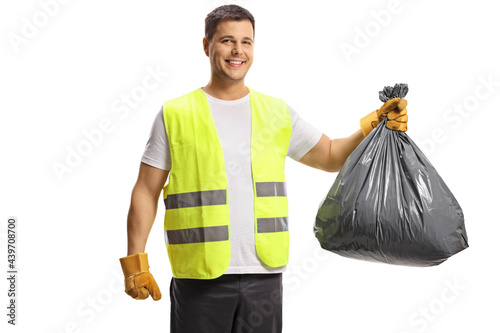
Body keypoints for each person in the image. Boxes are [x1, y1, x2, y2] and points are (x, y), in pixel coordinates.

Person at [119, 4, 408, 333]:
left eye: (247, 41)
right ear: (206, 46)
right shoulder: (176, 114)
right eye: (227, 40)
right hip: (198, 277)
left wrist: (375, 124)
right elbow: (145, 188)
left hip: (265, 278)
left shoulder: (276, 113)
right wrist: (135, 262)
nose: (238, 50)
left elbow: (329, 155)